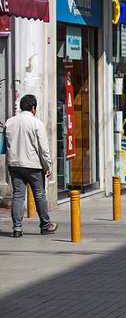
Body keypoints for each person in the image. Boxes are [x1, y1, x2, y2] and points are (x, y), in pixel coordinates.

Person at [5, 94, 55, 237]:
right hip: (34, 165)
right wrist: (48, 166)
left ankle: (17, 228)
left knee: (18, 196)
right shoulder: (36, 123)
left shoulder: (10, 122)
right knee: (39, 195)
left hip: (15, 164)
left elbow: (6, 145)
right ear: (33, 108)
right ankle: (45, 225)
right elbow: (43, 148)